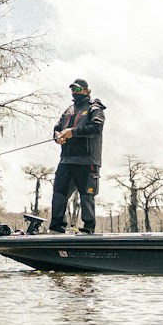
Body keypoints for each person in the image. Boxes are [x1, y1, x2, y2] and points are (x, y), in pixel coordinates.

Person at [49, 79, 105, 234]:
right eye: (72, 89)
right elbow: (57, 128)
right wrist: (58, 136)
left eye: (78, 89)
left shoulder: (95, 108)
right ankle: (56, 227)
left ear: (87, 90)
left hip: (87, 161)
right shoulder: (69, 110)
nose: (75, 92)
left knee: (87, 195)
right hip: (66, 160)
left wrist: (73, 132)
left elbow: (96, 127)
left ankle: (88, 227)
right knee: (59, 193)